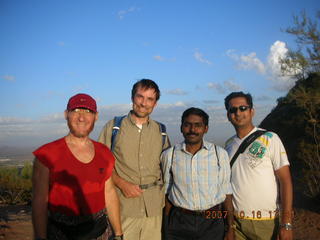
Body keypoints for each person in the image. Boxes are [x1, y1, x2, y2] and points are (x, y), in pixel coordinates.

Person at [32, 93, 123, 240]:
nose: (82, 117)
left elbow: (109, 193)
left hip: (99, 232)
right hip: (60, 234)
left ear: (96, 116)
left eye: (88, 112)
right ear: (66, 114)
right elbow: (39, 202)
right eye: (76, 111)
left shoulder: (104, 153)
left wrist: (118, 234)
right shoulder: (46, 155)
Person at [98, 79, 170, 240]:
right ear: (132, 98)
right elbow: (100, 166)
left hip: (154, 210)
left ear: (155, 103)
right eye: (140, 97)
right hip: (123, 208)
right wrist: (121, 183)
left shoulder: (161, 131)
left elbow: (166, 168)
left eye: (150, 99)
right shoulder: (114, 127)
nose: (144, 103)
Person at [224, 92, 293, 240]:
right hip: (237, 222)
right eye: (232, 109)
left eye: (243, 108)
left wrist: (286, 223)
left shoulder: (270, 138)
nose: (238, 112)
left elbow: (285, 180)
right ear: (228, 115)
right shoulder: (228, 145)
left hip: (266, 222)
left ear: (251, 111)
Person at [161, 107, 235, 240]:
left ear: (205, 128)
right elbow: (167, 192)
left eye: (198, 125)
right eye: (187, 125)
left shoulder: (219, 154)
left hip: (212, 221)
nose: (192, 130)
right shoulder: (169, 155)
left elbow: (226, 192)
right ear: (181, 127)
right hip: (179, 221)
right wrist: (165, 228)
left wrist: (230, 228)